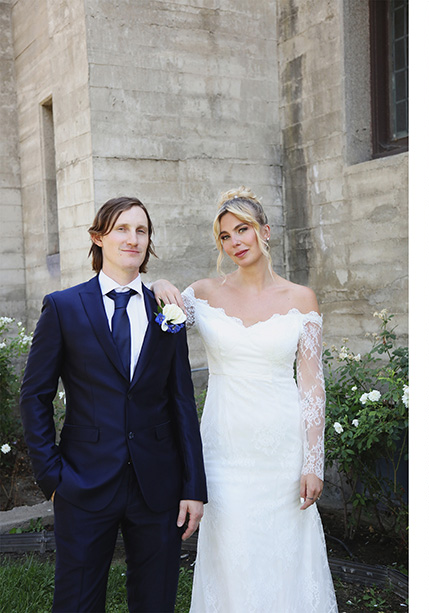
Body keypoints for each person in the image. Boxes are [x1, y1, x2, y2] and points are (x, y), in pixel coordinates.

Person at [152, 187, 338, 612]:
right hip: (224, 447)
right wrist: (158, 285)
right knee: (232, 553)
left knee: (286, 550)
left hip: (282, 449)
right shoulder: (200, 294)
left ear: (264, 232)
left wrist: (314, 462)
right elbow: (160, 330)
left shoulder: (301, 299)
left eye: (243, 229)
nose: (235, 241)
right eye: (225, 236)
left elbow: (312, 386)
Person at [18, 197, 207, 612]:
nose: (132, 238)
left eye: (141, 231)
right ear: (98, 237)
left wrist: (193, 487)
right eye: (122, 228)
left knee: (155, 601)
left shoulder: (165, 309)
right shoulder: (64, 307)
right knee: (77, 601)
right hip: (82, 481)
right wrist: (51, 476)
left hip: (158, 484)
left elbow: (181, 400)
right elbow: (34, 396)